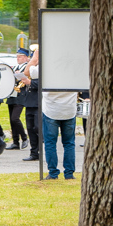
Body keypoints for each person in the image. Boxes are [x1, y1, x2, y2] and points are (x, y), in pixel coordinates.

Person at [27, 49, 76, 178]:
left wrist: (35, 56)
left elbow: (27, 72)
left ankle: (53, 172)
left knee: (50, 143)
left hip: (51, 110)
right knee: (69, 143)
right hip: (69, 110)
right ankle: (69, 173)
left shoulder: (47, 68)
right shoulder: (74, 69)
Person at [6, 48, 30, 150]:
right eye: (17, 56)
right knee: (11, 120)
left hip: (21, 95)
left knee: (15, 118)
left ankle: (24, 138)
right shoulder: (15, 67)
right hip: (13, 94)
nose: (18, 58)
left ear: (25, 57)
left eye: (20, 56)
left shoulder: (27, 67)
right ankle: (15, 142)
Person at [19, 47, 40, 162]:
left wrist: (30, 82)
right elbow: (26, 73)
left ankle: (40, 150)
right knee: (30, 128)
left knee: (37, 127)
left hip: (38, 101)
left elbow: (44, 81)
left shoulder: (42, 66)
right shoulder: (32, 66)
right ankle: (34, 152)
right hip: (30, 101)